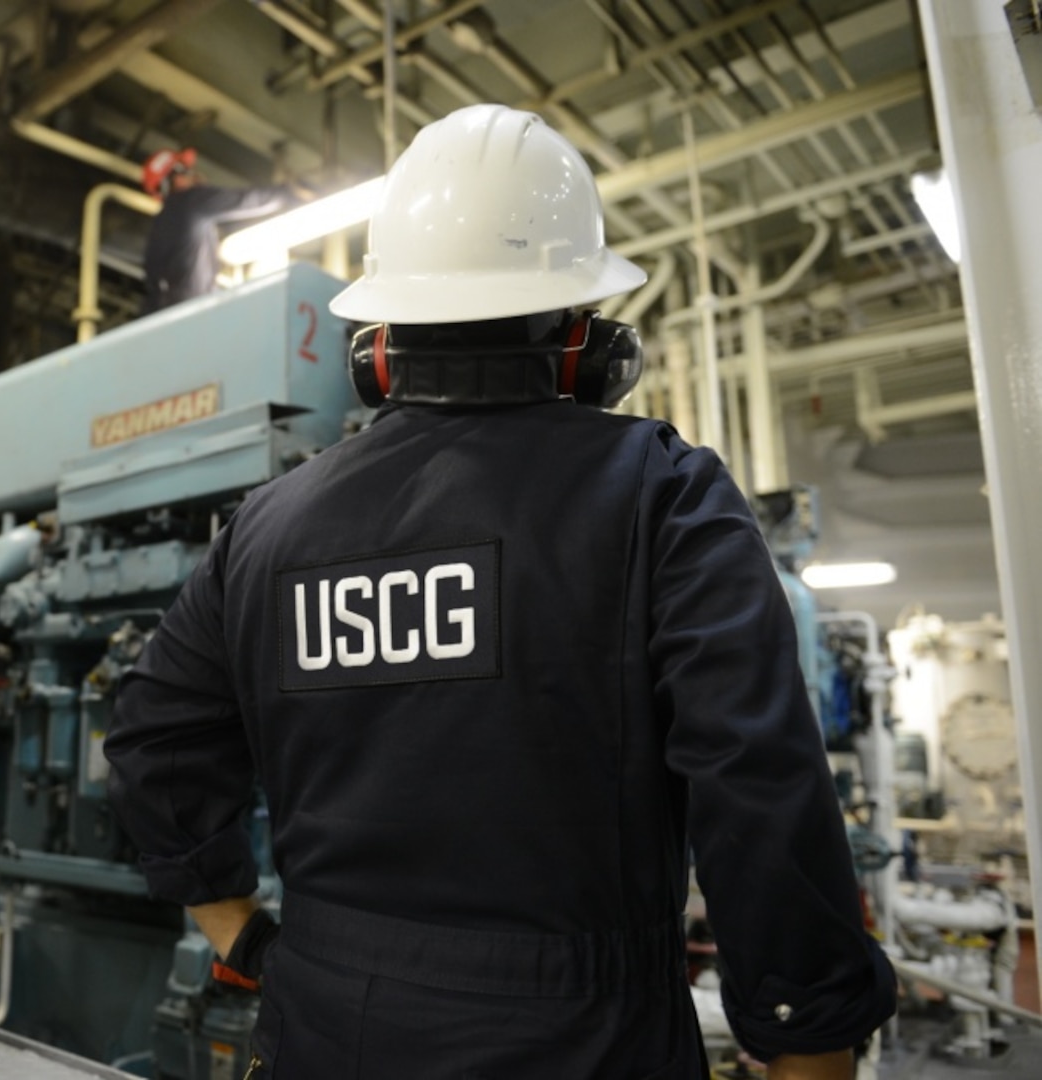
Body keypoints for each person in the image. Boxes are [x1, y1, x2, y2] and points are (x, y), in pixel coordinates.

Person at [105, 104, 896, 1079]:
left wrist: (239, 932)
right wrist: (804, 1031)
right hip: (583, 1041)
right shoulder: (660, 493)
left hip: (322, 1030)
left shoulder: (264, 527)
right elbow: (759, 785)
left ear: (379, 345)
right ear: (583, 341)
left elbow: (150, 744)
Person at [139, 147, 290, 314]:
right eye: (188, 170)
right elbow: (246, 201)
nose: (195, 174)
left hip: (170, 319)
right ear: (176, 177)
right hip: (195, 313)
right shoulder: (190, 201)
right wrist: (290, 194)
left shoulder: (159, 227)